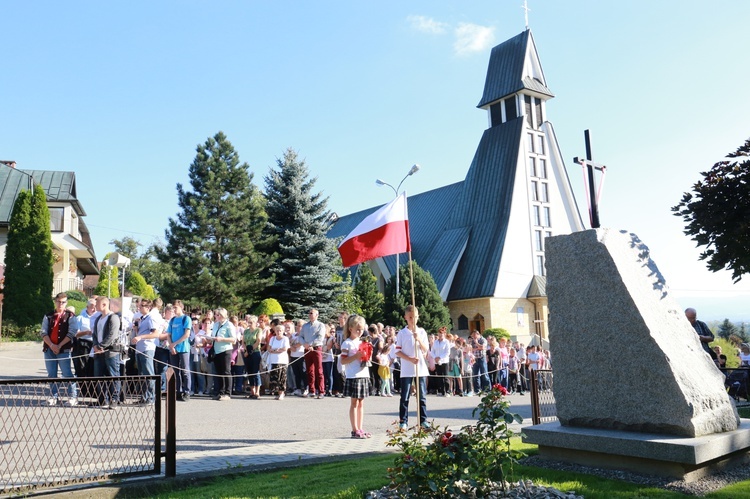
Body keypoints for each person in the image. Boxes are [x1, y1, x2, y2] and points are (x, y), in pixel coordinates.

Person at [41, 292, 79, 406]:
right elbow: (43, 332)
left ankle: (73, 397)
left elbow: (72, 332)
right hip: (49, 349)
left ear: (66, 303)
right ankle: (53, 396)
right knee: (51, 374)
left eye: (63, 302)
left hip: (64, 349)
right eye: (58, 302)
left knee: (67, 373)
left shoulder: (70, 316)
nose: (60, 304)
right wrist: (52, 345)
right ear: (55, 301)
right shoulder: (48, 315)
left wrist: (59, 345)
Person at [395, 305, 429, 430]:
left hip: (420, 368)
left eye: (414, 317)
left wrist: (418, 339)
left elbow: (426, 349)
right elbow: (397, 351)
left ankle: (423, 420)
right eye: (410, 317)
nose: (412, 320)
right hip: (407, 369)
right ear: (405, 317)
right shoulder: (402, 333)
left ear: (418, 317)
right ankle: (403, 421)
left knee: (422, 396)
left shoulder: (422, 332)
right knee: (405, 396)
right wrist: (409, 359)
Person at [340, 315, 372, 438]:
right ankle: (354, 429)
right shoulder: (346, 343)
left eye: (362, 329)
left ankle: (360, 428)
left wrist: (367, 354)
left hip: (363, 373)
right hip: (353, 375)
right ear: (350, 328)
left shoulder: (363, 342)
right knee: (354, 403)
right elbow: (343, 361)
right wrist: (356, 356)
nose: (360, 332)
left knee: (361, 403)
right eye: (357, 329)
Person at [92, 296, 122, 409]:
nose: (95, 306)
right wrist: (95, 345)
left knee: (113, 375)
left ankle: (114, 399)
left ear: (104, 304)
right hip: (98, 352)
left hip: (111, 352)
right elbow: (94, 334)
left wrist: (101, 346)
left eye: (97, 304)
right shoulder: (98, 318)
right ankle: (103, 399)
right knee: (99, 376)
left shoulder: (113, 318)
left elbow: (112, 335)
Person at [131, 299, 159, 405]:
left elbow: (155, 334)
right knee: (142, 374)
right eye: (139, 305)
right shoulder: (142, 318)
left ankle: (151, 397)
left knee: (149, 373)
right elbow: (141, 334)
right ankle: (144, 396)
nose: (139, 307)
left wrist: (140, 337)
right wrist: (137, 330)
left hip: (147, 348)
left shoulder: (151, 318)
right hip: (140, 348)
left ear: (148, 307)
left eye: (142, 306)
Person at [205, 308, 236, 400]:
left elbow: (233, 339)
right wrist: (210, 339)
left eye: (218, 315)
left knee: (226, 371)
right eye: (216, 315)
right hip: (216, 350)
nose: (216, 316)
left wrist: (222, 339)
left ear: (223, 315)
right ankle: (220, 392)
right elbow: (214, 336)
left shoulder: (229, 325)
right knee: (219, 372)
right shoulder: (215, 325)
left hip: (225, 350)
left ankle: (228, 393)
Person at [166, 300, 192, 401]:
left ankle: (187, 391)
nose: (174, 309)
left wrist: (175, 343)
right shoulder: (172, 320)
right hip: (173, 348)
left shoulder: (186, 318)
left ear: (181, 307)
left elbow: (187, 334)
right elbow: (168, 334)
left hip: (183, 348)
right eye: (173, 307)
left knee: (185, 370)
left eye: (176, 307)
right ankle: (178, 391)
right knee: (175, 371)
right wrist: (171, 346)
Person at [300, 308, 326, 399]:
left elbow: (320, 337)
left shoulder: (320, 325)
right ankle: (312, 390)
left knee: (318, 370)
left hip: (316, 348)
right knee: (309, 370)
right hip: (307, 349)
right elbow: (300, 336)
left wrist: (311, 344)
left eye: (312, 313)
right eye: (309, 313)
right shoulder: (305, 326)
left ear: (316, 315)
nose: (310, 315)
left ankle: (321, 391)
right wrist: (305, 344)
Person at [72, 298, 97, 383]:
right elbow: (76, 334)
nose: (94, 310)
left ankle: (92, 388)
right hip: (84, 344)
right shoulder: (80, 318)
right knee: (82, 366)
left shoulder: (99, 317)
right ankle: (83, 387)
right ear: (87, 307)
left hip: (95, 344)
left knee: (93, 366)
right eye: (92, 307)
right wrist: (86, 332)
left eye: (95, 307)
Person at [267, 324, 290, 400]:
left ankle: (282, 392)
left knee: (282, 377)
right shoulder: (273, 339)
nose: (278, 332)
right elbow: (269, 348)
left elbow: (284, 349)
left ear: (283, 331)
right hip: (273, 361)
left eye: (280, 330)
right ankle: (276, 392)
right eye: (277, 330)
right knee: (274, 377)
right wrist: (275, 350)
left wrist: (276, 350)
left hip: (282, 361)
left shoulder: (285, 339)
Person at [242, 315, 262, 399]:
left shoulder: (258, 330)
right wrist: (246, 351)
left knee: (255, 372)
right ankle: (252, 391)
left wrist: (250, 351)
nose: (250, 324)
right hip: (247, 353)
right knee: (249, 372)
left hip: (255, 352)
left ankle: (257, 392)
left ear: (255, 323)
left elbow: (258, 341)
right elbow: (243, 342)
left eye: (251, 322)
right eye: (248, 322)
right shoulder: (246, 331)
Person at [430, 326, 451, 396]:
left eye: (441, 334)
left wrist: (440, 357)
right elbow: (432, 351)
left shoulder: (446, 342)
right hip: (436, 361)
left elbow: (447, 352)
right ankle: (441, 391)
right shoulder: (435, 342)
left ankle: (447, 391)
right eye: (439, 334)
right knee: (439, 377)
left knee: (445, 376)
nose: (440, 335)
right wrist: (435, 357)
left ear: (444, 334)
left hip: (444, 361)